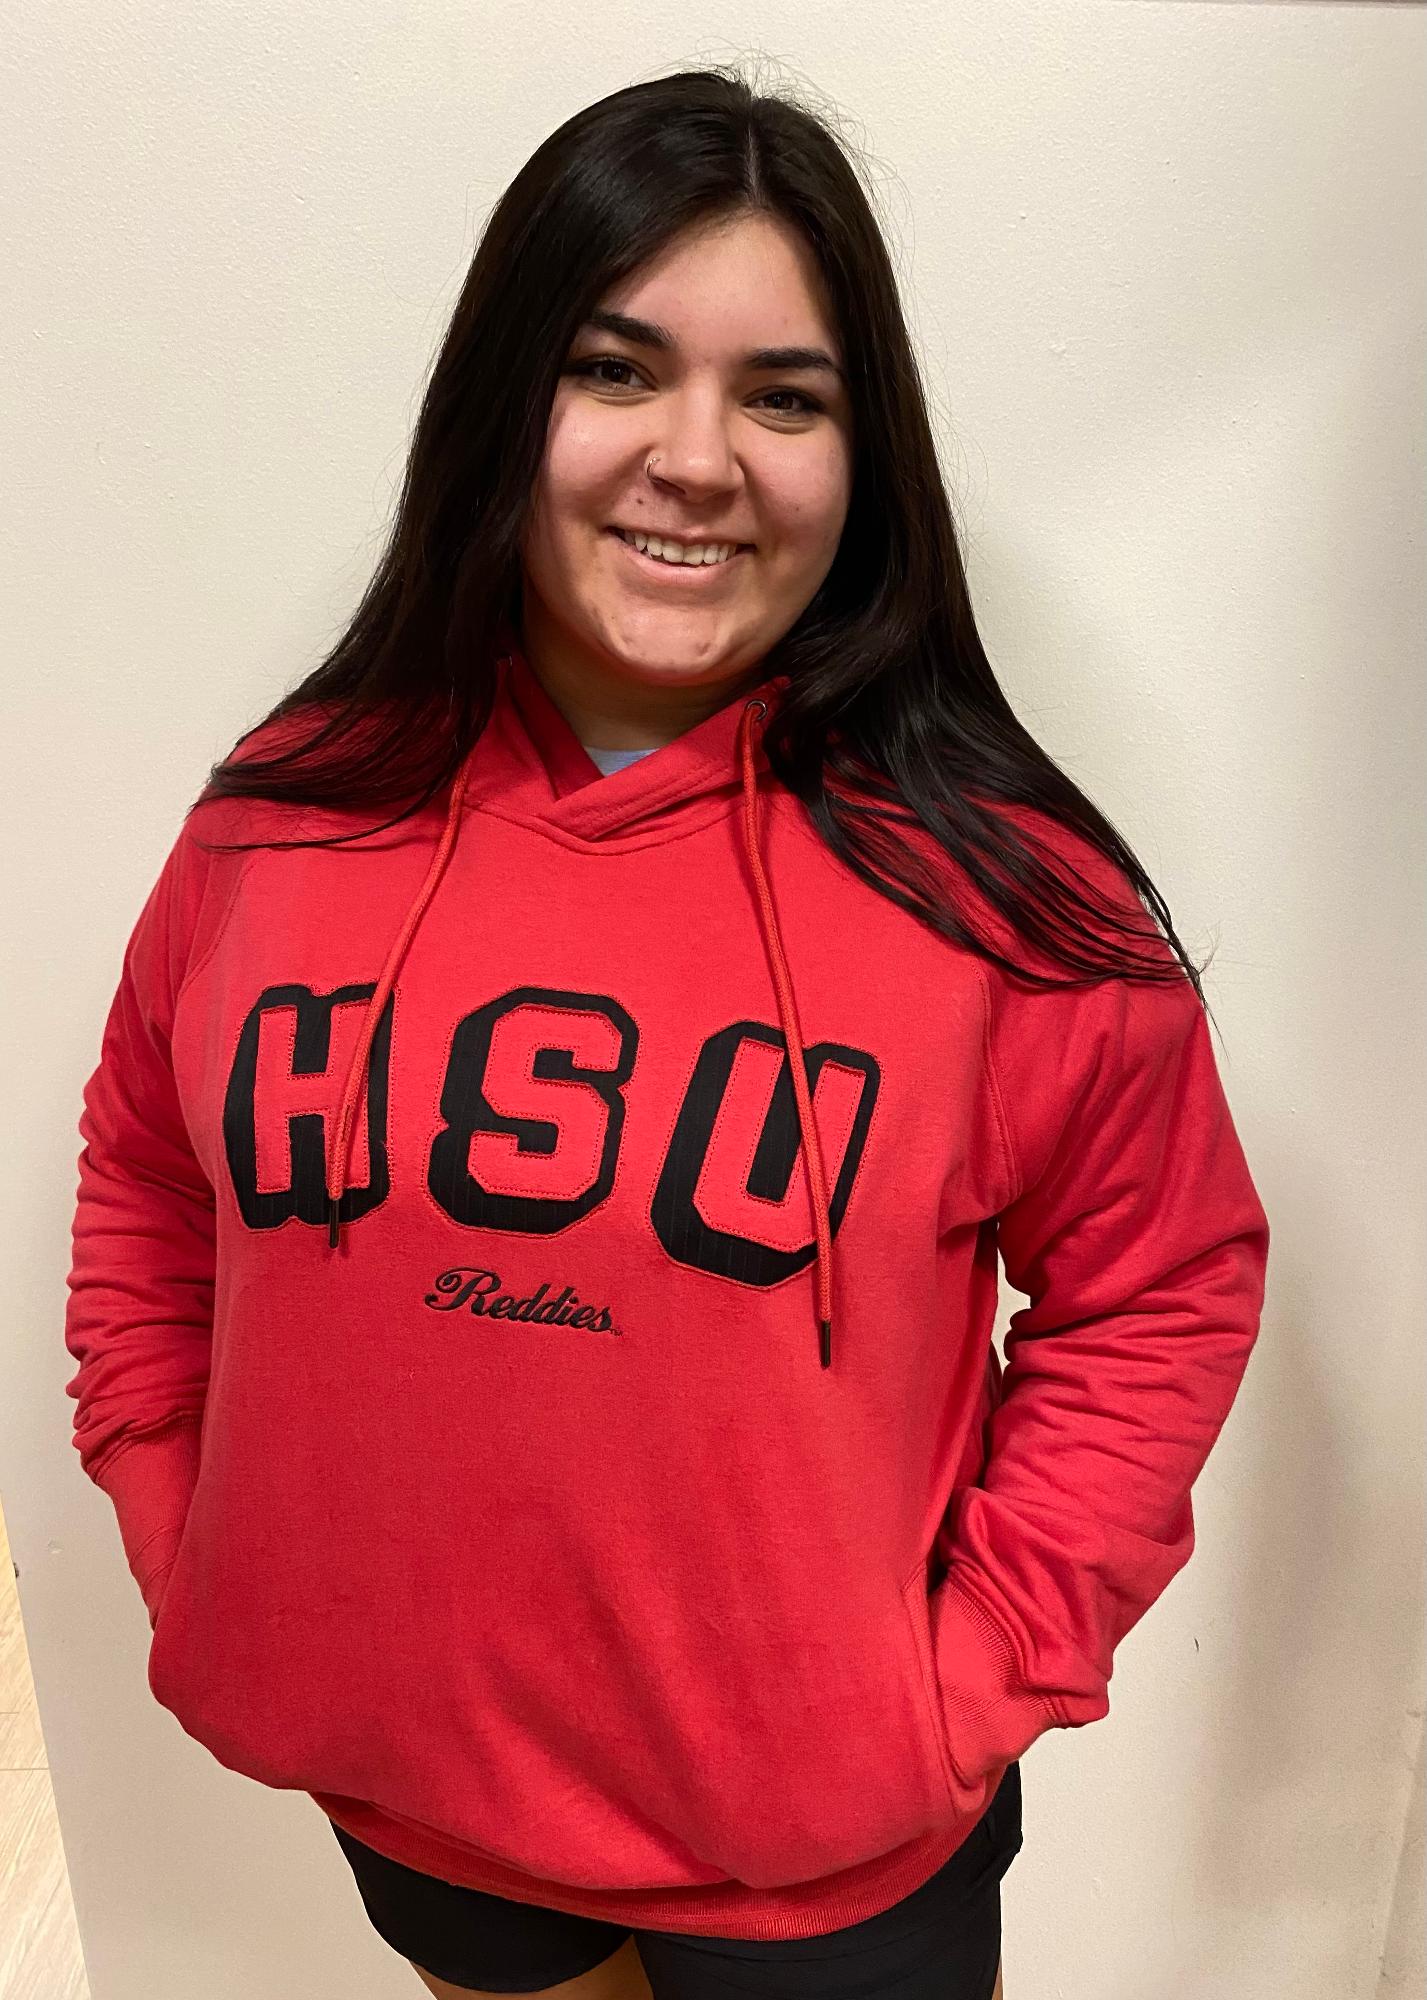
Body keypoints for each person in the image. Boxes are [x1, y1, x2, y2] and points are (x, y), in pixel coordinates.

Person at [62, 64, 1270, 2000]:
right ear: (502, 404)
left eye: (783, 397)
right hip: (407, 1797)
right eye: (617, 369)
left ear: (863, 456)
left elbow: (1163, 1287)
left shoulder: (1003, 889)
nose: (697, 458)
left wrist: (976, 1672)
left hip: (833, 1866)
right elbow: (146, 1165)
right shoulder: (284, 814)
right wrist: (181, 1521)